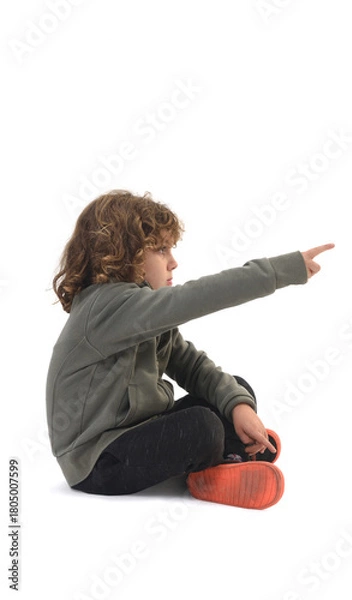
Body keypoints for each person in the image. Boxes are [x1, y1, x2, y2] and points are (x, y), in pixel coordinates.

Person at [46, 189, 334, 509]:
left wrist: (239, 407)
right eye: (161, 250)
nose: (173, 262)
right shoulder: (106, 307)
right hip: (97, 461)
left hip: (136, 434)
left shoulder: (144, 314)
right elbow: (197, 297)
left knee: (234, 390)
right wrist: (283, 270)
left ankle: (229, 451)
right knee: (203, 426)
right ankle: (219, 462)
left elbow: (193, 367)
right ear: (125, 256)